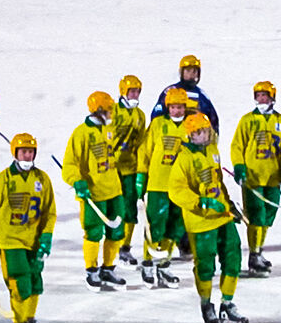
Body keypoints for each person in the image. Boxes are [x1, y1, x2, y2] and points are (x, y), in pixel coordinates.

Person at [169, 112, 248, 323]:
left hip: (222, 217)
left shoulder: (213, 151)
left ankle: (227, 303)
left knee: (233, 256)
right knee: (205, 265)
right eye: (198, 132)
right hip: (200, 222)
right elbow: (176, 191)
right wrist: (201, 202)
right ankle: (206, 304)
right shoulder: (183, 159)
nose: (204, 135)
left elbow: (218, 182)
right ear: (189, 136)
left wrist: (229, 204)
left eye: (205, 131)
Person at [0, 132, 56, 323]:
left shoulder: (42, 179)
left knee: (35, 283)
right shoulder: (1, 181)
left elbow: (49, 212)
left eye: (31, 152)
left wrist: (46, 236)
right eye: (23, 152)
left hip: (33, 241)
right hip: (10, 241)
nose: (27, 156)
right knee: (20, 283)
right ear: (15, 153)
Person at [63, 91, 127, 290]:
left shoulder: (110, 130)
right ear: (98, 110)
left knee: (117, 231)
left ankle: (108, 268)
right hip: (94, 193)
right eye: (108, 110)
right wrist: (77, 182)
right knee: (93, 232)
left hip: (114, 190)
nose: (111, 114)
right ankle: (92, 270)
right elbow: (69, 165)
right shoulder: (81, 133)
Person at [230, 80, 281, 274]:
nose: (261, 99)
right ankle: (254, 253)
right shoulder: (247, 120)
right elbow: (237, 145)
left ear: (272, 97)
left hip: (273, 178)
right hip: (253, 178)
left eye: (264, 96)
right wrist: (239, 167)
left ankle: (259, 249)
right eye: (258, 96)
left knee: (268, 216)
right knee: (256, 216)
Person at [135, 86, 190, 288]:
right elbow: (145, 151)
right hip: (158, 184)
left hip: (180, 186)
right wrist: (141, 176)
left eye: (180, 107)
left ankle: (164, 264)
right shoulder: (158, 124)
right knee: (154, 225)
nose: (177, 110)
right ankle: (148, 262)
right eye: (173, 107)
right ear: (168, 107)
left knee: (175, 226)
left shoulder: (191, 126)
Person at [111, 74, 147, 266]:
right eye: (131, 91)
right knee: (113, 208)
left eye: (137, 91)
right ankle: (111, 245)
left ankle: (124, 247)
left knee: (130, 208)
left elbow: (141, 145)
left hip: (130, 169)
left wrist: (141, 170)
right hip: (112, 168)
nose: (134, 95)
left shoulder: (140, 116)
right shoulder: (112, 111)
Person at [150, 54, 220, 132]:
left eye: (194, 71)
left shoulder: (201, 95)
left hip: (193, 136)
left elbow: (213, 120)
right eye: (188, 71)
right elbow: (156, 115)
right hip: (170, 134)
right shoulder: (170, 91)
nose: (191, 74)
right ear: (181, 72)